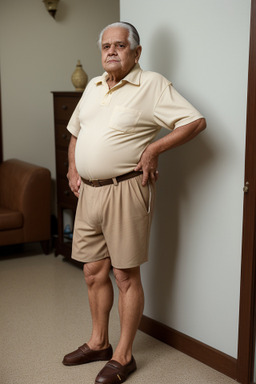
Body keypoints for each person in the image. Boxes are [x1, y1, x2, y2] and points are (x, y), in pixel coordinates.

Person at [63, 21, 206, 384]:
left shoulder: (152, 84)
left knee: (125, 275)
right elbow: (75, 131)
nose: (111, 51)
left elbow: (195, 121)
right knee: (93, 271)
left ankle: (124, 357)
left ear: (136, 52)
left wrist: (155, 148)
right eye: (106, 46)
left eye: (120, 45)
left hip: (126, 189)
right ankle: (98, 343)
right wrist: (71, 168)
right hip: (89, 192)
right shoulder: (94, 87)